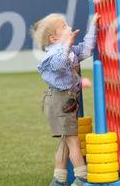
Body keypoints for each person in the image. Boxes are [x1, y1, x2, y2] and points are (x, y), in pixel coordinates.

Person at [31, 13, 98, 186]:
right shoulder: (54, 53)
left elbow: (86, 50)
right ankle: (82, 177)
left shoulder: (66, 50)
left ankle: (59, 179)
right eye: (64, 27)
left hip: (65, 101)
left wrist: (93, 26)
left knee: (66, 140)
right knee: (73, 140)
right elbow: (59, 65)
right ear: (54, 38)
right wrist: (66, 45)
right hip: (59, 101)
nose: (69, 27)